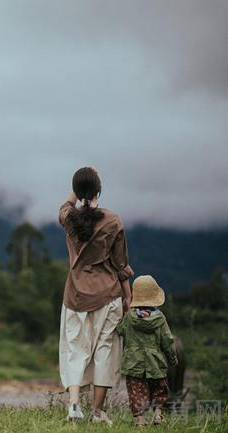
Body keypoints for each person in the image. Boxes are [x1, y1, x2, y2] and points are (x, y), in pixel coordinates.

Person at [58, 166, 133, 424]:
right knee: (105, 352)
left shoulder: (69, 218)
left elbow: (67, 204)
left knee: (75, 349)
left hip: (76, 295)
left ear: (78, 193)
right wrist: (128, 297)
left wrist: (80, 189)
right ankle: (98, 413)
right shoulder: (113, 221)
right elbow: (121, 265)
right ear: (100, 190)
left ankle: (74, 407)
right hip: (108, 294)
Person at [116, 275, 177, 426]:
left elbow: (120, 330)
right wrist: (172, 358)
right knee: (160, 389)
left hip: (133, 363)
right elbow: (167, 340)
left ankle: (141, 420)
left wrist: (123, 314)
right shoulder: (160, 319)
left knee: (137, 391)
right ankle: (157, 414)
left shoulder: (130, 317)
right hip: (155, 363)